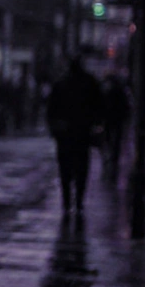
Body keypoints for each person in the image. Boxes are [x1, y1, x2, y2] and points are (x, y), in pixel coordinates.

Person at [47, 56, 105, 216]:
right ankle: (78, 201)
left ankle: (67, 201)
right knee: (82, 169)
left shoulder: (61, 84)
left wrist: (55, 128)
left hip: (65, 134)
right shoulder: (89, 83)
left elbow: (51, 109)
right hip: (82, 133)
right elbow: (99, 106)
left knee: (65, 169)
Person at [102, 74, 132, 173]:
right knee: (115, 141)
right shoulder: (119, 92)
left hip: (109, 119)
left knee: (108, 140)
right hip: (116, 120)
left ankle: (109, 158)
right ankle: (113, 158)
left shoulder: (107, 91)